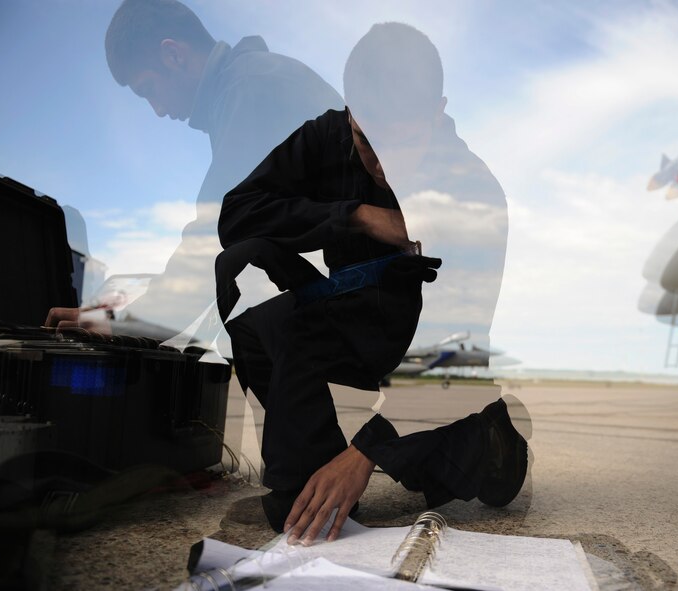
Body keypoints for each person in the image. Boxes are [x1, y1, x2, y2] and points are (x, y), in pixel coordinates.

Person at [215, 22, 523, 546]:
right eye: (365, 141)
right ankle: (308, 464)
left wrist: (364, 455)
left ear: (438, 111)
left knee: (478, 472)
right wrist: (356, 215)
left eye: (399, 143)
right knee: (244, 270)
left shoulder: (475, 193)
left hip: (426, 345)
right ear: (351, 112)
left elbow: (454, 351)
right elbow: (237, 213)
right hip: (346, 316)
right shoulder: (326, 136)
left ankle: (492, 430)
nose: (381, 166)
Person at [47, 0, 343, 350]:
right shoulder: (249, 81)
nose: (157, 110)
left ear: (173, 55)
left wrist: (118, 323)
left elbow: (214, 238)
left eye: (148, 90)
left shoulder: (251, 89)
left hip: (374, 287)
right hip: (366, 278)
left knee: (247, 324)